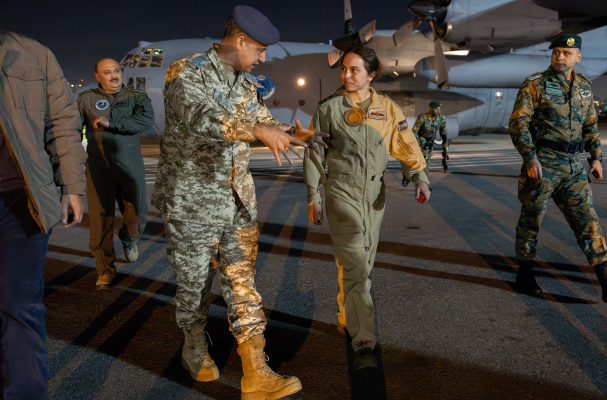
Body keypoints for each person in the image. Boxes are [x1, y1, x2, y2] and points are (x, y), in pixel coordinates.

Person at [152, 6, 326, 399]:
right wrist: (257, 129)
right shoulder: (186, 71)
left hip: (237, 202)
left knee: (242, 284)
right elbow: (200, 118)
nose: (263, 58)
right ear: (241, 40)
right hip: (191, 202)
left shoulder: (247, 85)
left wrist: (295, 132)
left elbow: (264, 119)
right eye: (260, 50)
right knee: (194, 285)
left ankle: (255, 372)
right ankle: (194, 347)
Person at [303, 46, 431, 369]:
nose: (346, 75)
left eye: (354, 70)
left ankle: (347, 314)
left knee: (362, 263)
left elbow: (405, 144)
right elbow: (315, 154)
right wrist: (314, 194)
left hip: (375, 196)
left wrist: (419, 177)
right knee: (357, 267)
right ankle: (363, 342)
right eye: (343, 69)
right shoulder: (329, 109)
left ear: (371, 75)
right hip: (341, 193)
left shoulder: (387, 109)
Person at [509, 33, 607, 303]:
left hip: (573, 166)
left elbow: (590, 124)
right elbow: (518, 123)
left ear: (578, 57)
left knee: (588, 220)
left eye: (567, 53)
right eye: (556, 52)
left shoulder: (584, 85)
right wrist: (529, 157)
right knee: (531, 220)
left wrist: (596, 157)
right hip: (544, 162)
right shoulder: (535, 84)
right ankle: (524, 274)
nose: (560, 57)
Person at [0, 29, 87, 399]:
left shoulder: (34, 53)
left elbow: (63, 122)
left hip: (21, 199)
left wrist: (72, 186)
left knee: (21, 306)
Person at [76, 58, 154, 289]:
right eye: (108, 72)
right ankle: (105, 270)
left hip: (130, 164)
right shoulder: (85, 98)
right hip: (99, 166)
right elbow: (72, 129)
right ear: (98, 76)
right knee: (100, 219)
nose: (114, 76)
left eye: (117, 71)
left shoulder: (137, 96)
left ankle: (129, 238)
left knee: (137, 215)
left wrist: (112, 123)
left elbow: (146, 120)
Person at [402, 100, 447, 186]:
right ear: (431, 109)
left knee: (426, 163)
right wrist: (419, 144)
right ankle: (407, 176)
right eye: (436, 109)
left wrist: (445, 141)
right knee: (415, 161)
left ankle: (423, 183)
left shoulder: (442, 118)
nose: (438, 111)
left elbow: (443, 131)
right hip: (420, 141)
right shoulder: (422, 118)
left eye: (439, 108)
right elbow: (414, 132)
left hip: (429, 144)